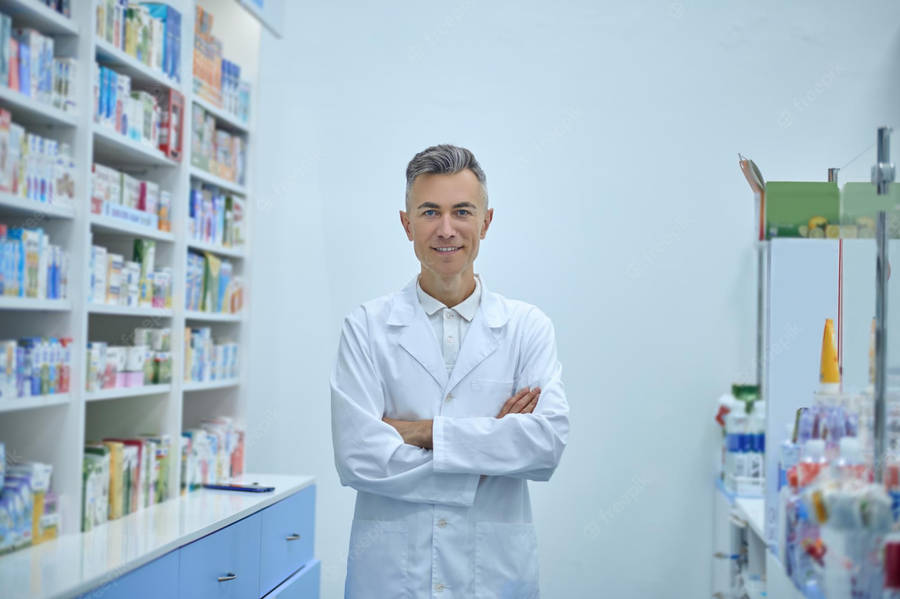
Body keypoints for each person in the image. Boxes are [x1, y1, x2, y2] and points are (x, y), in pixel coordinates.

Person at [331, 144, 569, 598]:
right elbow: (358, 457)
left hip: (494, 576)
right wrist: (491, 448)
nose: (446, 229)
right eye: (429, 212)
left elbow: (544, 446)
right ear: (407, 224)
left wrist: (421, 432)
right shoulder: (366, 326)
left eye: (462, 211)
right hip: (391, 578)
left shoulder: (527, 327)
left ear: (486, 222)